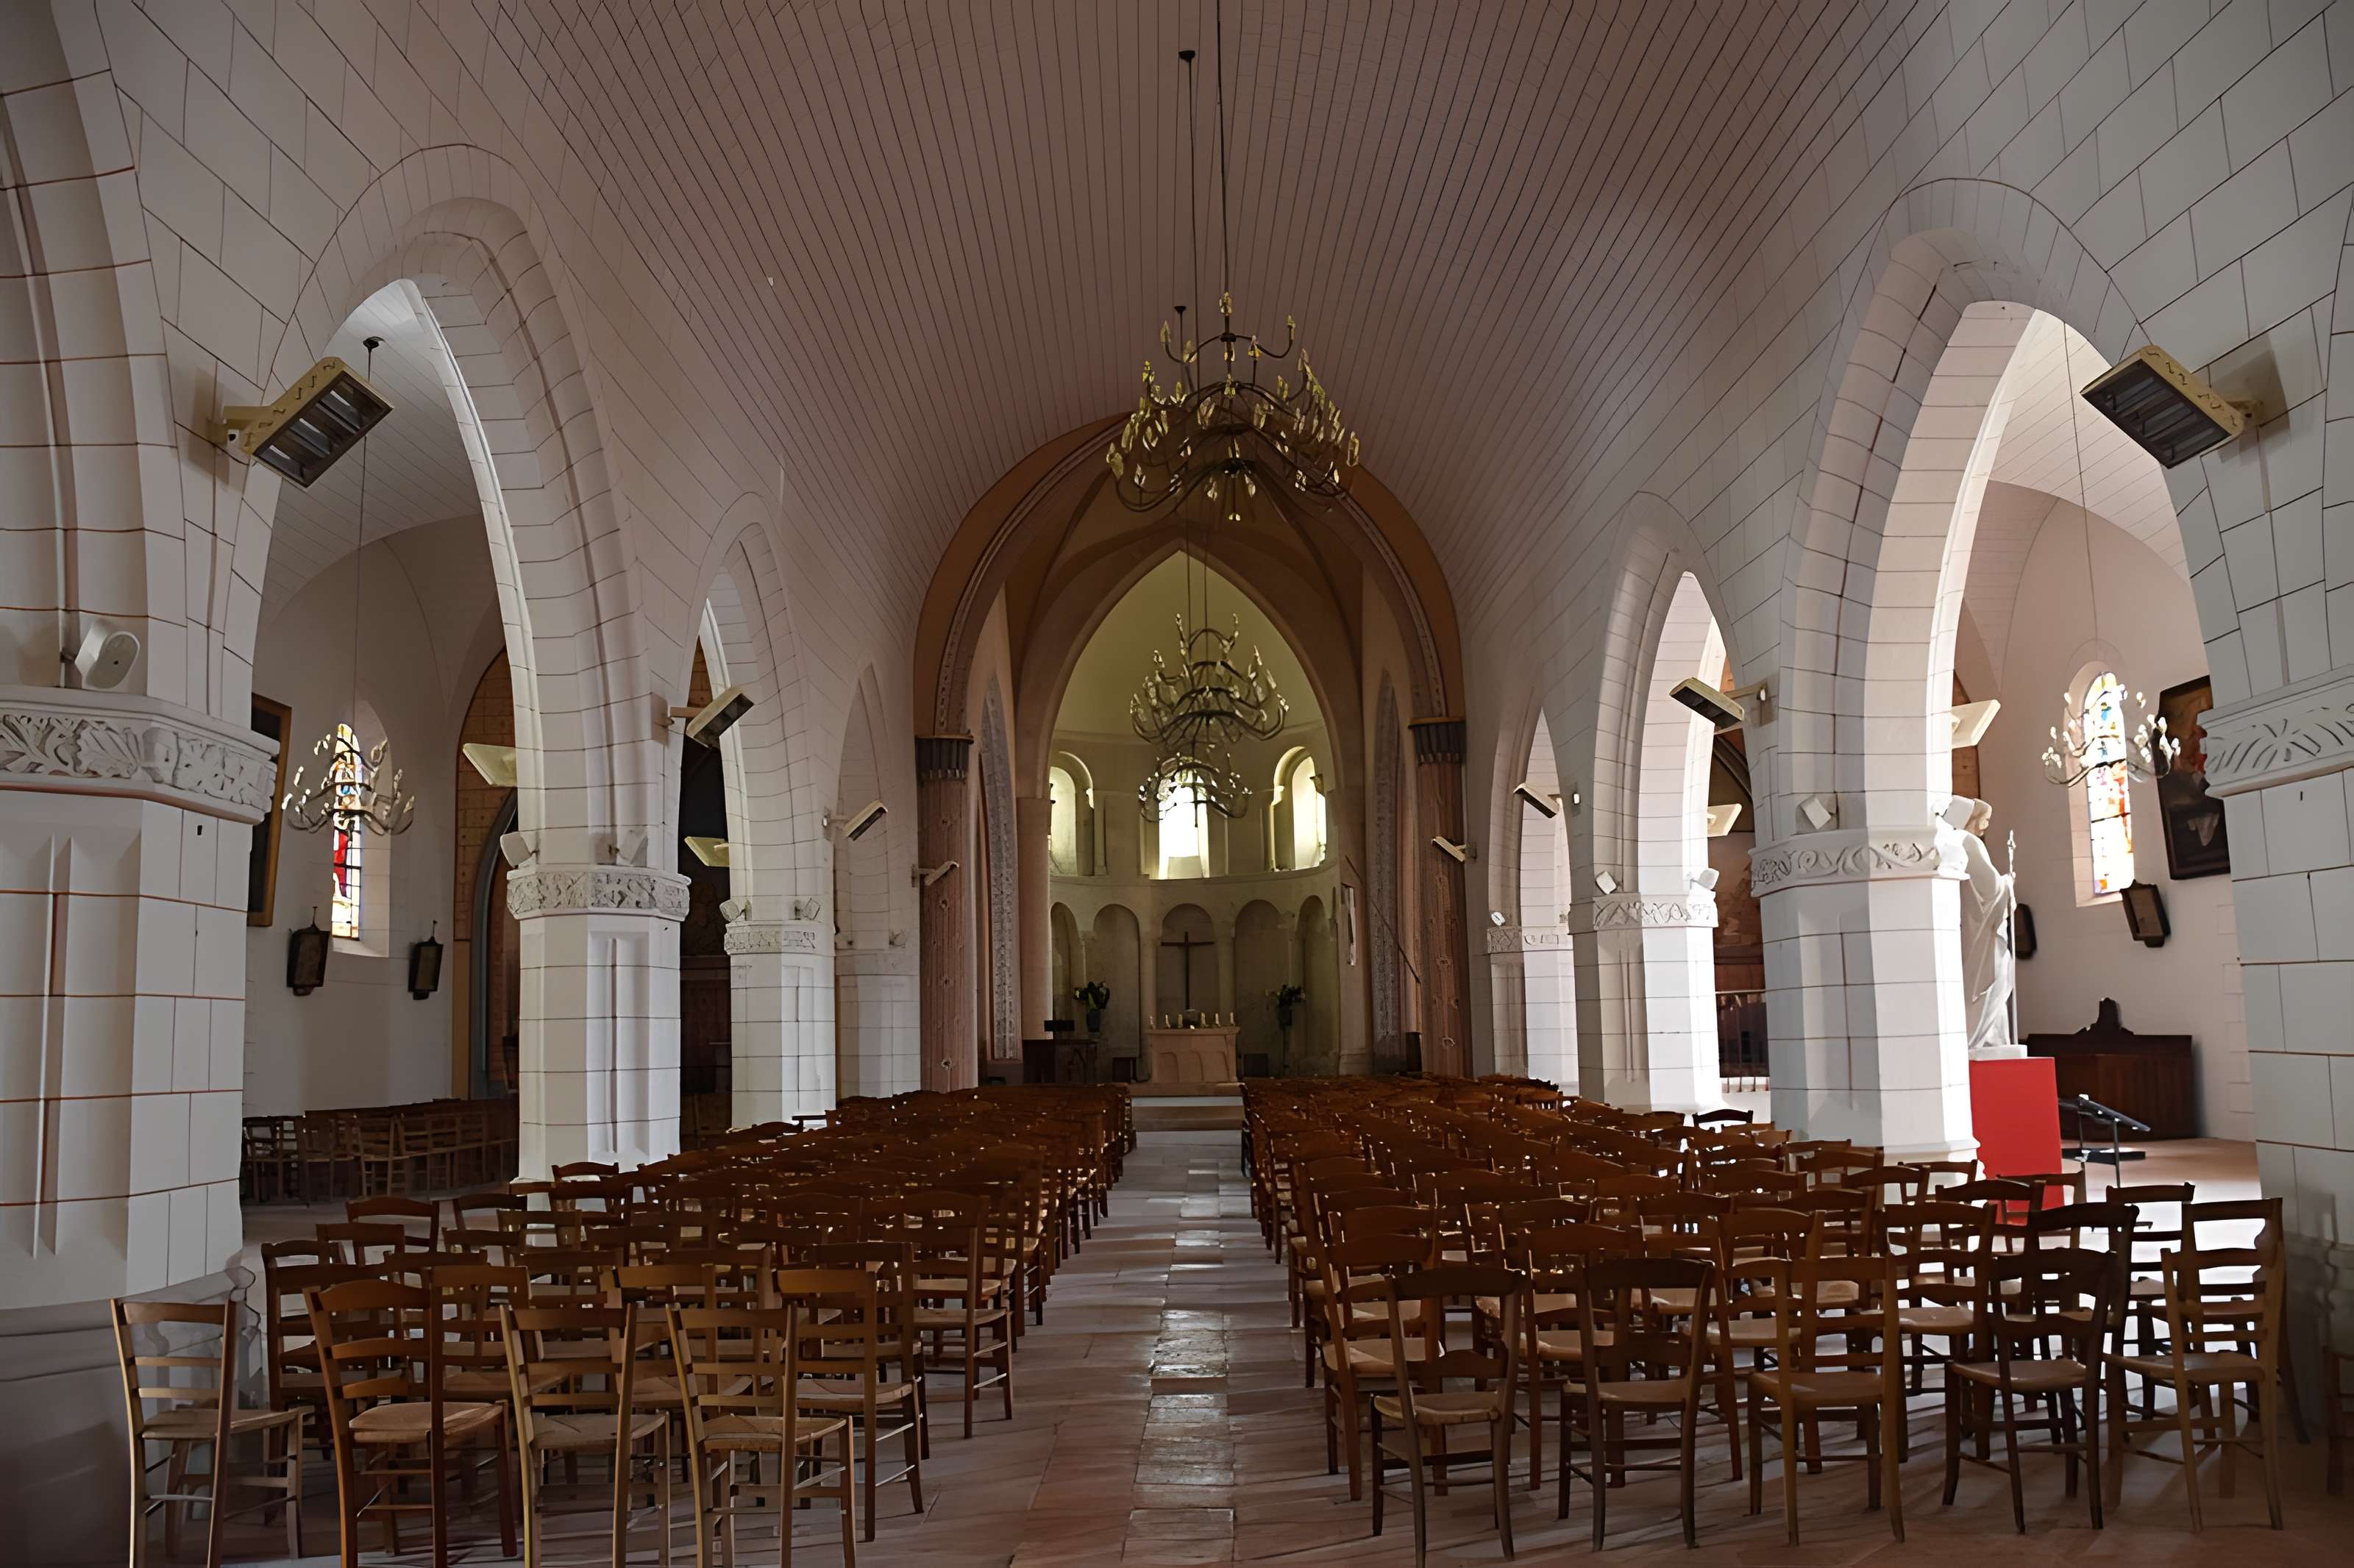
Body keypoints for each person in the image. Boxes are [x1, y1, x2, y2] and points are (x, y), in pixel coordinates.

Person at [1952, 796, 2024, 1059]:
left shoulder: (1956, 843)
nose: (1985, 826)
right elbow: (1991, 889)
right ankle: (1983, 1040)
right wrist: (2009, 882)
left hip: (1974, 927)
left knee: (1992, 988)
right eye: (1985, 819)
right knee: (1989, 986)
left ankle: (1989, 1039)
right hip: (1980, 932)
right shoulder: (1969, 842)